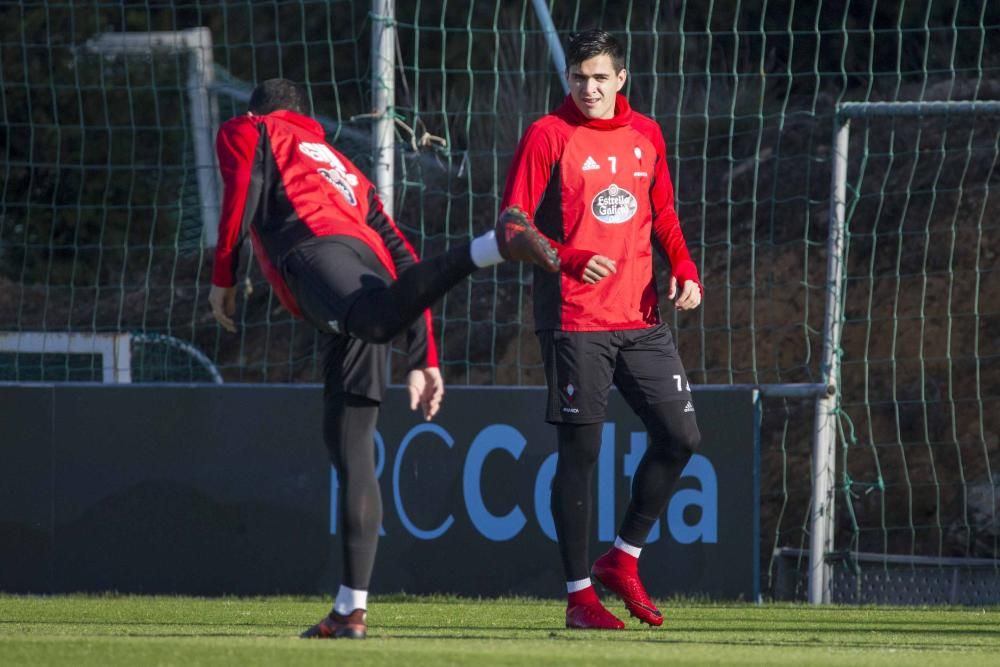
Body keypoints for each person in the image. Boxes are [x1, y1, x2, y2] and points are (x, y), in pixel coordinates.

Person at [208, 78, 558, 640]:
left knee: (371, 321)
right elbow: (400, 251)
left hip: (316, 250)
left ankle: (489, 246)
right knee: (350, 445)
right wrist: (426, 356)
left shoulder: (252, 129)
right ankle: (350, 610)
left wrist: (224, 276)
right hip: (365, 263)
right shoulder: (345, 168)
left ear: (262, 111)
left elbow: (242, 189)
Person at [500, 30, 703, 630]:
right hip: (574, 318)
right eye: (577, 77)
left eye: (598, 77)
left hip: (641, 318)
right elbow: (512, 225)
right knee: (581, 453)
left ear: (621, 80)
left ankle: (623, 557)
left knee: (680, 437)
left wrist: (684, 266)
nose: (587, 88)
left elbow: (661, 212)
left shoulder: (647, 135)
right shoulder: (548, 135)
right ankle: (579, 597)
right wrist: (563, 257)